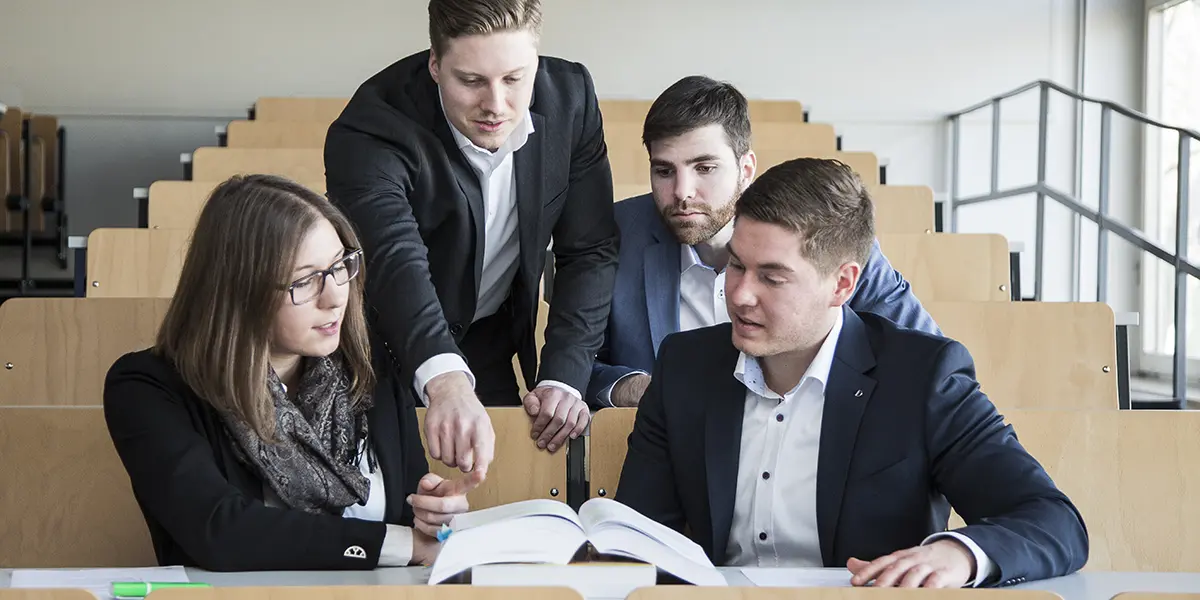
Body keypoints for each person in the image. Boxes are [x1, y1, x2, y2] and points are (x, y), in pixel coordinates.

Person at [614, 158, 1088, 588]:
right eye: (737, 265)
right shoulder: (684, 366)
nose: (739, 295)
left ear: (842, 284)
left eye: (772, 277)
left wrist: (958, 554)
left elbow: (1053, 521)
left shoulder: (924, 377)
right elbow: (639, 535)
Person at [104, 175, 480, 571]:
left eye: (340, 267)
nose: (335, 297)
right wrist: (401, 544)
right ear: (237, 290)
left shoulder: (371, 369)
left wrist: (431, 514)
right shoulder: (147, 388)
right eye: (305, 281)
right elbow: (220, 531)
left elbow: (412, 525)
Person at [325, 0, 617, 466]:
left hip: (489, 342)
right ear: (436, 65)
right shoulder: (371, 127)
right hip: (375, 356)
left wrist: (563, 375)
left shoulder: (572, 98)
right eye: (472, 81)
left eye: (515, 78)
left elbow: (590, 250)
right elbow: (395, 257)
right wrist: (444, 379)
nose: (496, 106)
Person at [588, 76, 938, 408]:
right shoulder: (615, 233)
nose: (682, 193)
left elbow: (928, 360)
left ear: (746, 169)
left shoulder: (825, 230)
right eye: (664, 171)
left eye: (705, 168)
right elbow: (573, 364)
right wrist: (637, 387)